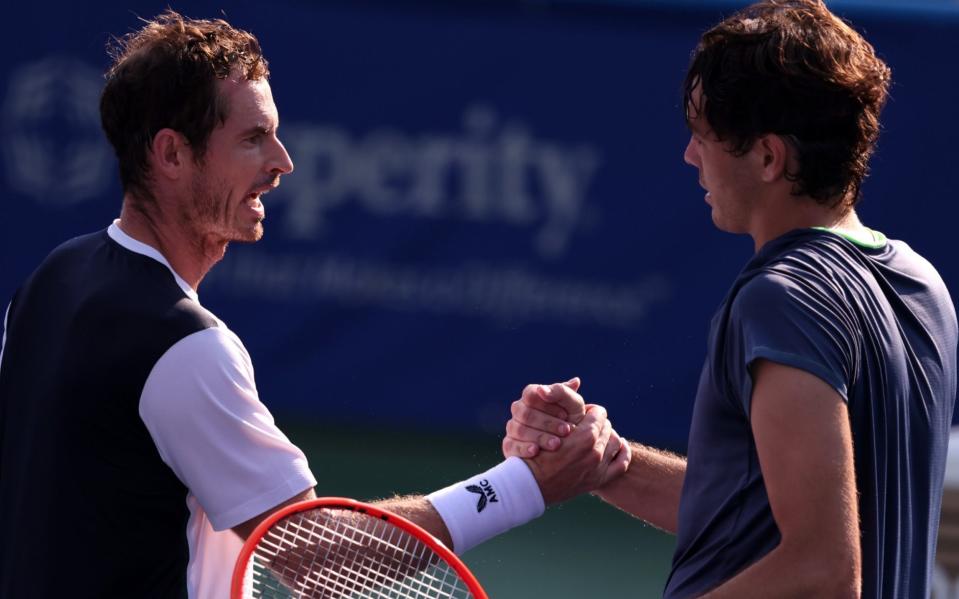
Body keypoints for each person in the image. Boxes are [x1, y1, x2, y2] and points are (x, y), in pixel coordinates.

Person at [0, 12, 629, 598]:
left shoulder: (52, 280)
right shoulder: (182, 346)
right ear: (171, 154)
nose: (283, 163)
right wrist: (524, 485)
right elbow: (310, 554)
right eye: (253, 139)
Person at [504, 0, 958, 597]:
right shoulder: (921, 284)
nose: (690, 156)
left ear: (769, 157)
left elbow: (822, 571)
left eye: (704, 136)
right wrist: (607, 462)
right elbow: (772, 517)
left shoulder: (781, 300)